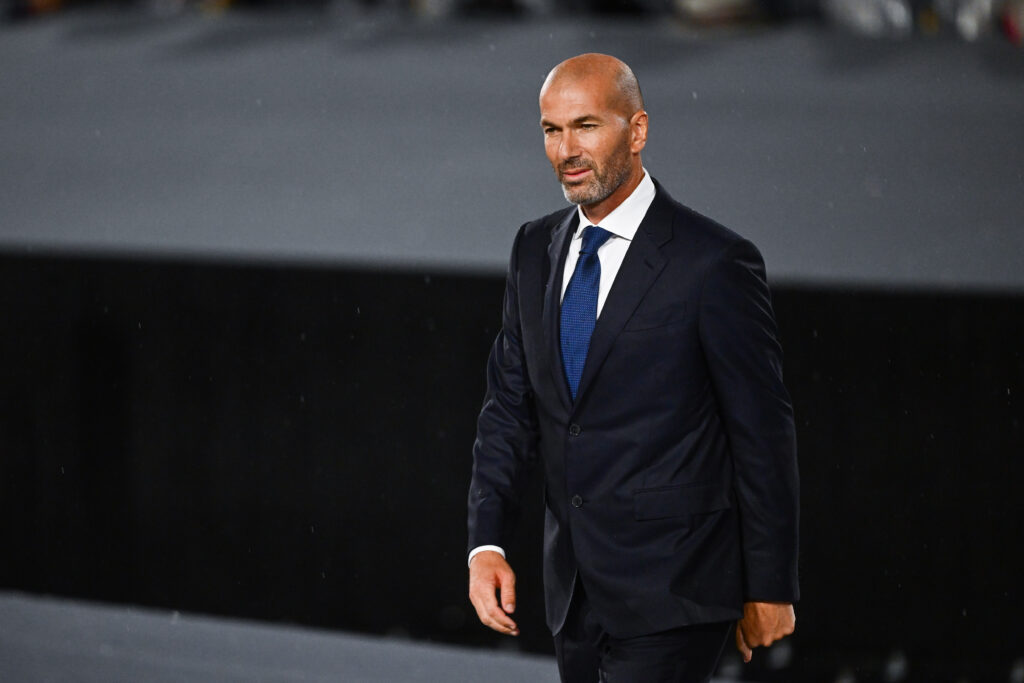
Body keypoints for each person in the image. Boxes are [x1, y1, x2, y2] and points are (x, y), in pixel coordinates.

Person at [466, 53, 799, 683]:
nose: (566, 149)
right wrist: (486, 542)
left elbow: (762, 434)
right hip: (574, 595)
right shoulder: (534, 248)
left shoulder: (713, 262)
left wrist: (771, 584)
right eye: (551, 130)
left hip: (675, 590)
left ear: (637, 130)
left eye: (586, 126)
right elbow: (509, 409)